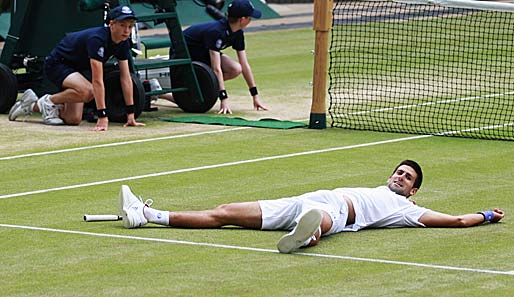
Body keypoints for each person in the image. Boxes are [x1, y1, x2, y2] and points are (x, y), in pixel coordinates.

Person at [118, 160, 505, 254]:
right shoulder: (378, 187)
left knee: (319, 218)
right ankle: (147, 215)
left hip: (337, 214)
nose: (400, 177)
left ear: (414, 192)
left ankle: (307, 236)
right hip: (303, 201)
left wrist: (486, 215)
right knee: (224, 212)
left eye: (407, 179)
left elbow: (455, 220)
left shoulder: (406, 210)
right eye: (399, 172)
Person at [8, 5, 145, 131]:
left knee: (72, 119)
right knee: (88, 91)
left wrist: (130, 114)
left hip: (77, 69)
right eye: (122, 25)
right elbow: (97, 81)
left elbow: (125, 78)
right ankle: (48, 101)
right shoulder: (97, 39)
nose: (126, 30)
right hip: (57, 64)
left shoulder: (123, 42)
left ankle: (31, 105)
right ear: (111, 24)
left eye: (130, 26)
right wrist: (102, 116)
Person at [175, 0, 268, 114]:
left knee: (236, 68)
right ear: (242, 19)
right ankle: (177, 92)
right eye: (250, 17)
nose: (251, 20)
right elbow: (216, 68)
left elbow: (244, 65)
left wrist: (255, 96)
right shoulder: (216, 32)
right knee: (209, 81)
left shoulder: (238, 33)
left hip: (203, 53)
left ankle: (199, 89)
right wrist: (223, 99)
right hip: (184, 53)